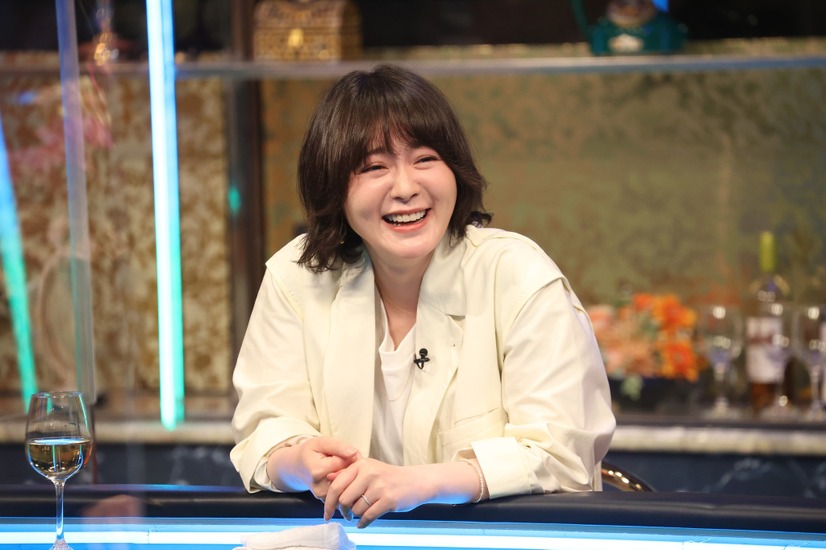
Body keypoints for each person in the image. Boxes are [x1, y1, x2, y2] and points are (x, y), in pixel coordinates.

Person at [230, 63, 615, 529]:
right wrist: (297, 461)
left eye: (425, 159)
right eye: (374, 167)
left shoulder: (518, 275)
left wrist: (421, 484)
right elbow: (262, 430)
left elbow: (563, 456)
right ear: (332, 186)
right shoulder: (297, 275)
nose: (406, 188)